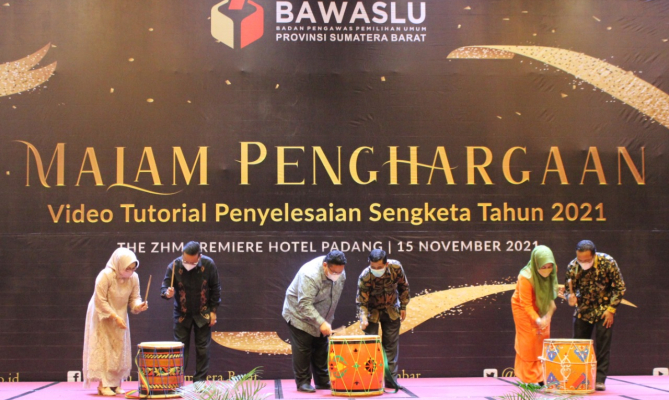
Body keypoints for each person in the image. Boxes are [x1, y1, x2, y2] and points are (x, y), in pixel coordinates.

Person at [83, 247, 149, 396]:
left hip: (120, 314)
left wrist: (139, 305)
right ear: (119, 264)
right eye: (127, 268)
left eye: (133, 269)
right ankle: (103, 385)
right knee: (104, 348)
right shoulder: (105, 275)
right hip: (102, 314)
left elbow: (134, 298)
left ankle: (115, 383)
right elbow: (100, 300)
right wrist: (114, 317)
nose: (130, 272)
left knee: (119, 348)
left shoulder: (134, 278)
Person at [564, 240, 625, 391]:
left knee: (603, 346)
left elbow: (619, 288)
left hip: (604, 310)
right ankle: (579, 377)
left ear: (594, 255)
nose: (583, 262)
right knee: (579, 347)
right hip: (583, 310)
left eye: (586, 260)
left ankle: (599, 379)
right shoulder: (572, 266)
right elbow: (568, 290)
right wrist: (569, 297)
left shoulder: (608, 262)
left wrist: (611, 309)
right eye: (580, 259)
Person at [282, 250, 347, 393]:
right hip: (298, 314)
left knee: (321, 347)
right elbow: (304, 304)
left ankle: (323, 381)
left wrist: (326, 320)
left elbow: (333, 299)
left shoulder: (340, 273)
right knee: (303, 348)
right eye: (334, 272)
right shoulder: (310, 275)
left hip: (321, 316)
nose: (337, 275)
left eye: (340, 271)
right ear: (325, 265)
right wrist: (320, 322)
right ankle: (303, 382)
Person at [160, 241, 221, 382]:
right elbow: (164, 288)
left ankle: (199, 382)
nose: (188, 264)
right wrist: (167, 293)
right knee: (180, 349)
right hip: (182, 314)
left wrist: (213, 311)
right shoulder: (174, 265)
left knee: (203, 349)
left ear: (199, 257)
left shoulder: (209, 264)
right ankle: (177, 382)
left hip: (203, 312)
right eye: (185, 260)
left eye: (192, 262)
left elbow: (216, 288)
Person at [357, 249, 410, 389]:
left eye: (379, 267)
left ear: (386, 264)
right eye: (373, 267)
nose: (376, 270)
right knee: (370, 347)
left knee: (390, 346)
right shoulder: (365, 276)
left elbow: (404, 287)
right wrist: (363, 318)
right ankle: (371, 381)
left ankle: (391, 381)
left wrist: (403, 306)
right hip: (372, 312)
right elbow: (361, 302)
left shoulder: (396, 268)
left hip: (391, 309)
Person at [511, 245, 558, 385]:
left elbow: (550, 295)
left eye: (549, 266)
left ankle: (542, 376)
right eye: (543, 267)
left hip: (542, 305)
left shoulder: (553, 269)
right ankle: (529, 378)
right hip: (522, 308)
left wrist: (548, 315)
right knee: (529, 341)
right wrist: (538, 319)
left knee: (543, 338)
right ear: (536, 263)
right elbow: (526, 304)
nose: (547, 270)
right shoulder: (525, 277)